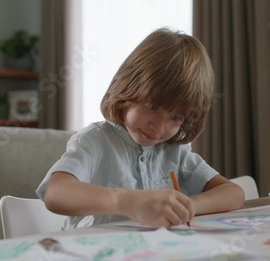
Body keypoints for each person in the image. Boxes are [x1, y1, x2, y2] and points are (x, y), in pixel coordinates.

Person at [36, 27, 245, 230]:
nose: (159, 127)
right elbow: (55, 193)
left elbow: (233, 193)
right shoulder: (94, 141)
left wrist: (190, 205)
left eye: (175, 117)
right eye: (152, 107)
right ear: (127, 89)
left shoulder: (175, 153)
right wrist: (126, 202)